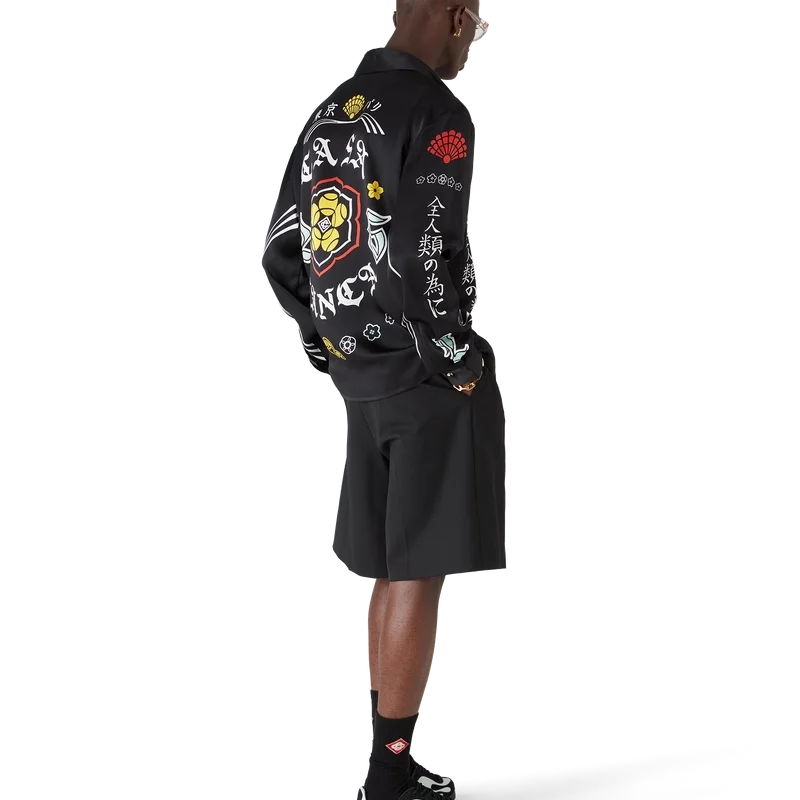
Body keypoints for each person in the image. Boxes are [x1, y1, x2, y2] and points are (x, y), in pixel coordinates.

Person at [261, 2, 503, 798]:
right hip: (424, 380)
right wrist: (454, 355)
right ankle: (391, 772)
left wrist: (327, 339)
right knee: (418, 570)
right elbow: (423, 248)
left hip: (361, 377)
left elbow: (282, 251)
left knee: (393, 568)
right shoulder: (436, 113)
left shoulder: (332, 110)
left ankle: (385, 766)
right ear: (458, 19)